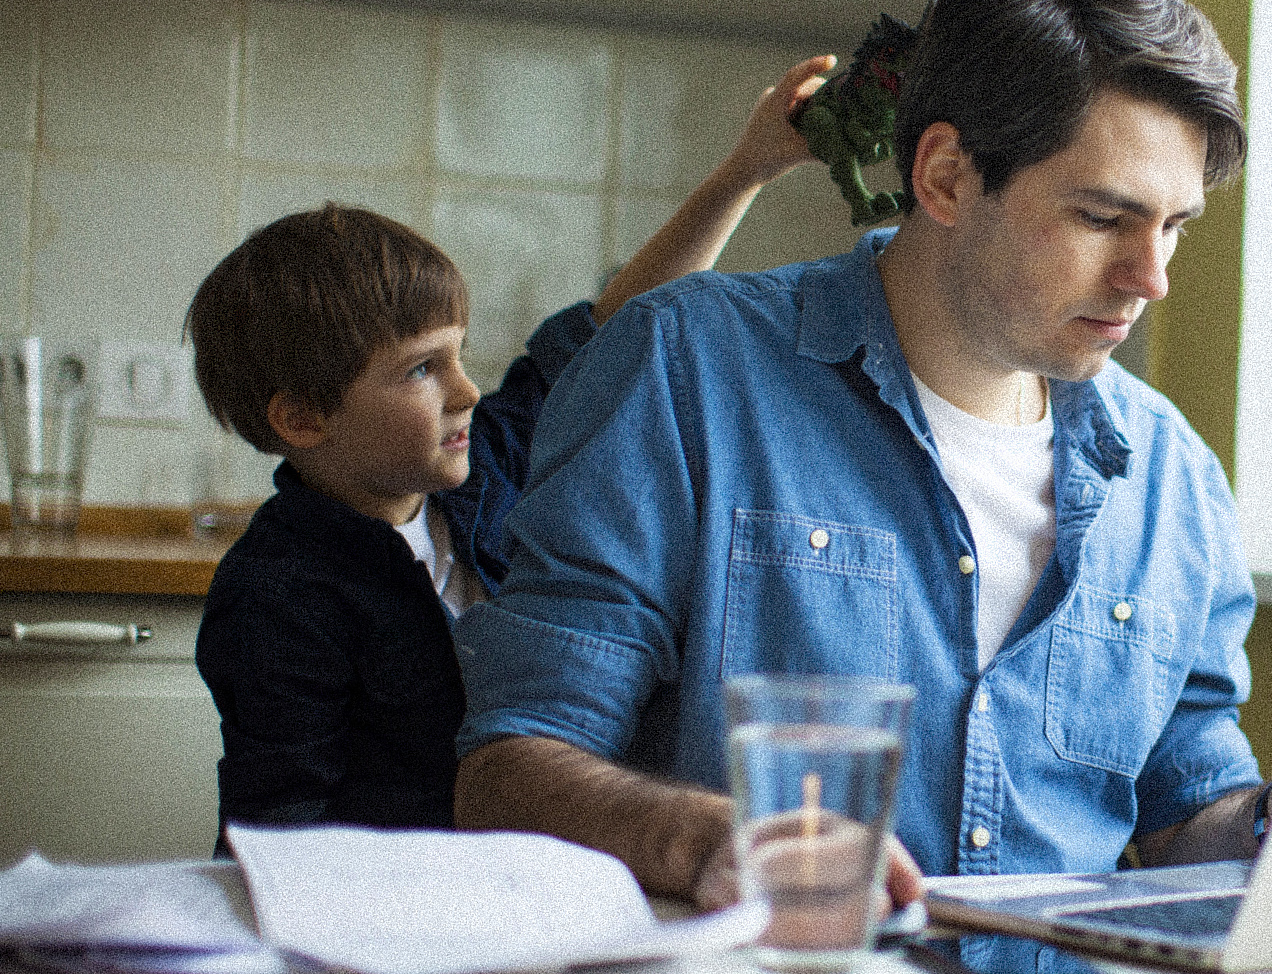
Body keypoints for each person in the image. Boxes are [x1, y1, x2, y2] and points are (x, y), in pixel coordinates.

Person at [453, 0, 1272, 912]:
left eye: (1175, 225)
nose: (1153, 279)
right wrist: (697, 835)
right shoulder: (684, 370)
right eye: (1104, 217)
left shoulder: (1172, 476)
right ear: (944, 176)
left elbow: (1190, 817)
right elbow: (505, 774)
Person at [184, 55, 835, 841]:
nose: (465, 391)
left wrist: (747, 169)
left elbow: (615, 326)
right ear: (301, 419)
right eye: (421, 370)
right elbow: (275, 830)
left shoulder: (482, 463)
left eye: (458, 355)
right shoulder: (274, 593)